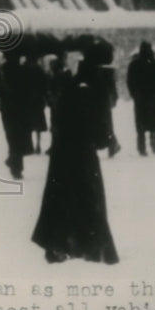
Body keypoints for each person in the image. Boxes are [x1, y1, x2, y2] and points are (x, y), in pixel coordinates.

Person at [31, 57, 119, 265]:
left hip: (63, 155)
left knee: (62, 200)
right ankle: (88, 247)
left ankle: (60, 246)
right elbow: (97, 132)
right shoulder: (88, 91)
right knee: (88, 201)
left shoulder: (73, 87)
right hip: (82, 156)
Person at [0, 53, 40, 179]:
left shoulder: (0, 71)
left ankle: (14, 164)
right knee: (19, 137)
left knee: (12, 137)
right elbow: (31, 89)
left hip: (7, 109)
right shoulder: (23, 71)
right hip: (22, 109)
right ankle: (16, 166)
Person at [127, 42, 155, 156]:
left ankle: (141, 148)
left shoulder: (134, 64)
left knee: (140, 124)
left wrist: (134, 93)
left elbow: (129, 81)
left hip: (140, 97)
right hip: (153, 97)